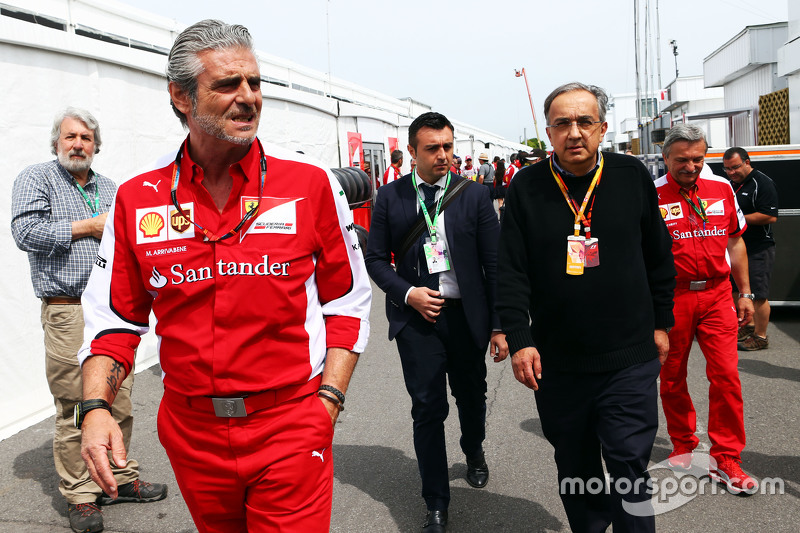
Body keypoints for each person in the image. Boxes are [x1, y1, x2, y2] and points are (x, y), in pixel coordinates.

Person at [76, 20, 371, 533]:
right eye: (228, 85)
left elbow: (347, 303)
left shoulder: (311, 183)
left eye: (254, 83)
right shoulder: (137, 197)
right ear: (181, 96)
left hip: (290, 426)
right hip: (191, 434)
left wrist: (328, 403)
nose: (248, 98)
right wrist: (96, 407)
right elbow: (114, 322)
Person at [497, 82, 676, 533]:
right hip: (558, 363)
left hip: (629, 355)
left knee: (627, 464)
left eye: (585, 122)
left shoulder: (631, 175)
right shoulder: (527, 187)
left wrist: (662, 323)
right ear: (549, 132)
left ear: (602, 128)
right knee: (576, 470)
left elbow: (658, 255)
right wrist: (520, 339)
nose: (574, 132)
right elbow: (511, 270)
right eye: (562, 124)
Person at [11, 108, 167, 533]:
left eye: (86, 138)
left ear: (97, 146)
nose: (78, 144)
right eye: (70, 137)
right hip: (68, 310)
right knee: (77, 407)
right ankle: (81, 494)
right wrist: (89, 227)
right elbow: (26, 233)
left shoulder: (113, 187)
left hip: (112, 313)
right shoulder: (37, 179)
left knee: (118, 399)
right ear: (56, 142)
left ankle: (119, 476)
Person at [365, 112, 508, 533]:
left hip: (467, 318)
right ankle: (436, 503)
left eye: (448, 146)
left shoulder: (473, 195)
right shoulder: (390, 197)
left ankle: (474, 449)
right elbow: (375, 259)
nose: (444, 155)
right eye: (433, 149)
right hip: (418, 321)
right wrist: (408, 293)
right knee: (428, 408)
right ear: (412, 152)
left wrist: (499, 326)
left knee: (472, 396)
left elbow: (494, 262)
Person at [656, 124, 758, 495]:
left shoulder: (721, 188)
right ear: (665, 157)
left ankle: (727, 457)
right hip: (673, 299)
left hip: (717, 296)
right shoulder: (650, 195)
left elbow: (735, 242)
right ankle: (684, 443)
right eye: (682, 160)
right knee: (671, 375)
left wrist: (744, 292)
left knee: (727, 376)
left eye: (699, 158)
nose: (692, 166)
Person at [722, 147, 778, 351]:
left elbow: (770, 216)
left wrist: (737, 219)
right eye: (727, 168)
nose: (731, 172)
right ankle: (748, 327)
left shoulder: (761, 183)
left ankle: (761, 337)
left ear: (747, 162)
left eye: (735, 167)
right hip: (736, 247)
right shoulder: (730, 184)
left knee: (759, 295)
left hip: (758, 248)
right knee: (736, 290)